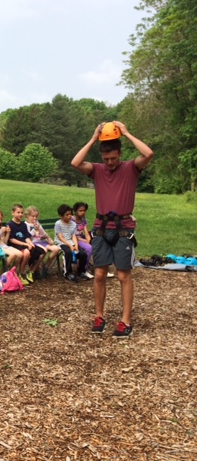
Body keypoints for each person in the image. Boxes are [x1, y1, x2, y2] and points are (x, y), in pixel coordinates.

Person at [71, 121, 153, 337]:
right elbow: (75, 162)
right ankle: (99, 316)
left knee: (123, 275)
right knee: (99, 274)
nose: (109, 162)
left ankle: (125, 321)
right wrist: (92, 139)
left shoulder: (131, 168)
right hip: (101, 227)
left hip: (123, 227)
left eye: (113, 158)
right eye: (106, 159)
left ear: (120, 154)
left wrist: (126, 133)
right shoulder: (97, 170)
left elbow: (148, 153)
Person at [7, 204, 44, 285]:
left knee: (41, 252)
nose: (20, 214)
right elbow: (11, 239)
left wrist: (30, 243)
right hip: (15, 246)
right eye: (18, 212)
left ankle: (31, 271)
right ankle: (21, 273)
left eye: (22, 212)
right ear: (12, 213)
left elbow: (26, 237)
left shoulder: (23, 224)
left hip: (24, 244)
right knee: (26, 252)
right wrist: (26, 244)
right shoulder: (10, 224)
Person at [54, 204, 88, 283]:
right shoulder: (58, 224)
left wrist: (75, 246)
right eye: (67, 214)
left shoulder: (73, 224)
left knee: (83, 254)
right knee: (68, 252)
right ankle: (67, 273)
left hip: (71, 241)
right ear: (61, 216)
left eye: (70, 214)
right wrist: (70, 245)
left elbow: (74, 236)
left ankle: (81, 272)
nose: (69, 216)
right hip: (61, 243)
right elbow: (60, 237)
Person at [25, 206, 61, 277]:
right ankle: (33, 270)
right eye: (33, 216)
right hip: (34, 243)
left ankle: (46, 267)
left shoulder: (37, 223)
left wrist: (45, 236)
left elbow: (43, 234)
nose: (35, 218)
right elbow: (28, 236)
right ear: (27, 216)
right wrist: (34, 230)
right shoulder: (26, 225)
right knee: (44, 251)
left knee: (56, 249)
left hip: (41, 241)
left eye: (36, 216)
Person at [72, 202, 95, 280]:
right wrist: (84, 240)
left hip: (81, 238)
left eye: (84, 210)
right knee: (89, 248)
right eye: (80, 210)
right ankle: (84, 269)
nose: (82, 212)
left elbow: (86, 232)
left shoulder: (83, 219)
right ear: (75, 211)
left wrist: (88, 240)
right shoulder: (72, 220)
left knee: (92, 246)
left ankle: (90, 268)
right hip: (74, 239)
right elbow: (72, 234)